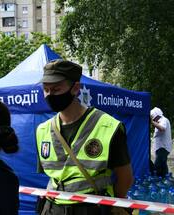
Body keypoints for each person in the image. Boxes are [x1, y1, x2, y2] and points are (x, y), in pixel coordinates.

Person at [36, 59, 134, 215]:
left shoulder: (109, 127)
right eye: (46, 90)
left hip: (91, 209)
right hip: (53, 208)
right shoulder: (43, 130)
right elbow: (53, 176)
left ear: (75, 88)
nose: (49, 95)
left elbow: (125, 178)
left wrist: (116, 203)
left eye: (56, 89)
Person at [150, 107, 172, 177]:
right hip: (161, 148)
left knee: (157, 166)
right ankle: (166, 179)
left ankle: (157, 180)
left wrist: (152, 122)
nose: (154, 120)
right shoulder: (160, 121)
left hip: (163, 148)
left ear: (157, 116)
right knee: (163, 166)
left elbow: (162, 128)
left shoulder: (163, 120)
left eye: (154, 118)